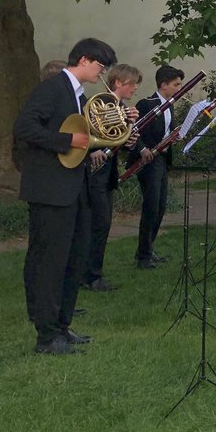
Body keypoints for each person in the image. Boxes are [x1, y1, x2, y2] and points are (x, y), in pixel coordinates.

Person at [14, 37, 117, 355]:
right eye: (101, 67)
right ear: (85, 60)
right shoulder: (53, 88)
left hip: (74, 189)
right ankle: (46, 336)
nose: (102, 74)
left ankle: (62, 326)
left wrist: (110, 130)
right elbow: (25, 128)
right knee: (51, 263)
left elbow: (83, 140)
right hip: (50, 190)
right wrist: (67, 140)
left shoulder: (78, 96)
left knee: (74, 261)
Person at [82, 63, 142, 293]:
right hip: (95, 171)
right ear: (119, 82)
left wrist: (130, 135)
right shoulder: (103, 103)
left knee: (102, 225)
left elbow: (118, 142)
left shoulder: (121, 107)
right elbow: (88, 133)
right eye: (132, 83)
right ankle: (90, 276)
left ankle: (92, 273)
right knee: (97, 225)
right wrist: (92, 149)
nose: (135, 88)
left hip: (107, 172)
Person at [131, 64, 184, 270]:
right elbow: (134, 130)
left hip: (161, 159)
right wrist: (142, 148)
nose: (179, 88)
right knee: (151, 206)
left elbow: (167, 130)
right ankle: (143, 255)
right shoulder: (147, 103)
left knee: (161, 206)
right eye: (175, 84)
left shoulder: (169, 105)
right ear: (163, 85)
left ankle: (147, 248)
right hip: (148, 160)